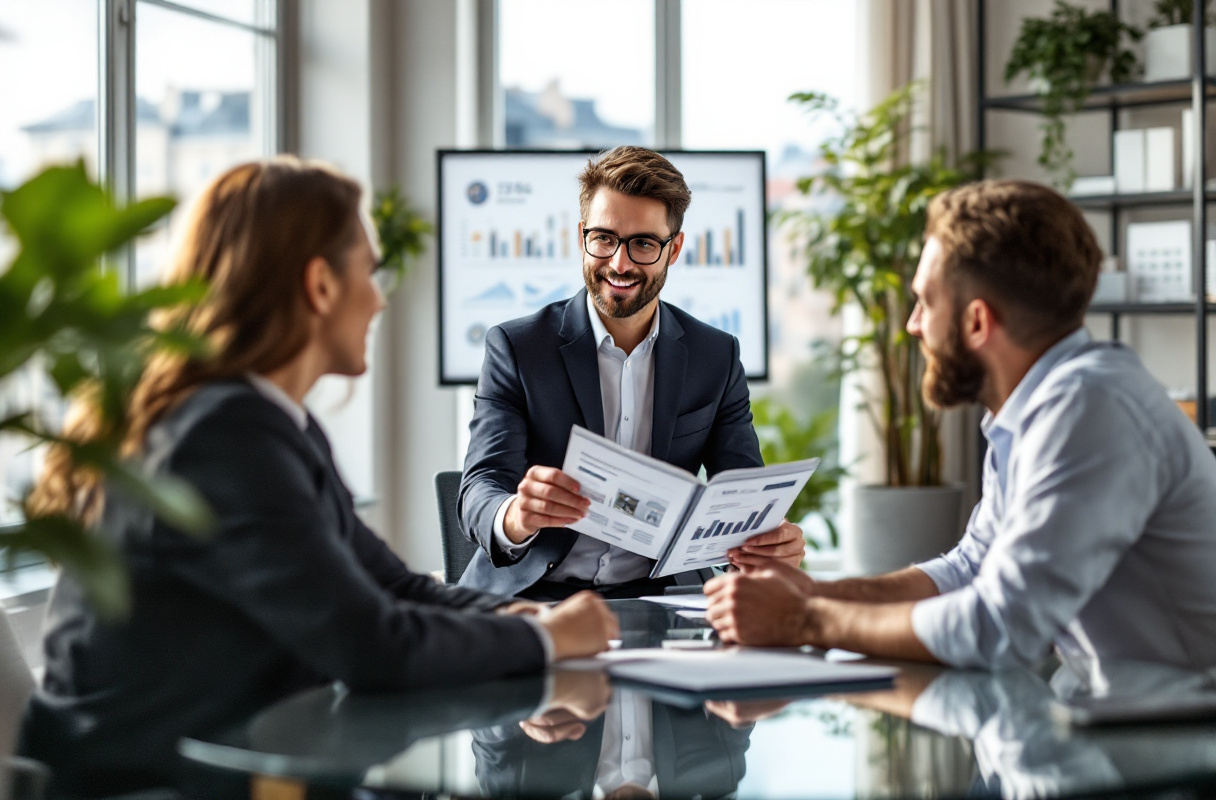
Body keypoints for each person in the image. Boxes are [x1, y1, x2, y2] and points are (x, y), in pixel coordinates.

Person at [19, 157, 618, 794]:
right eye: (369, 270)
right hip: (148, 785)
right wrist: (544, 642)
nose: (379, 298)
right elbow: (372, 645)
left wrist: (525, 621)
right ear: (320, 286)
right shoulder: (224, 434)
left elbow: (393, 586)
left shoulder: (270, 421)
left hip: (227, 767)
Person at [705, 178, 1216, 671]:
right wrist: (814, 592)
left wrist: (803, 619)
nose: (913, 325)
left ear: (976, 322)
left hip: (1182, 741)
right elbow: (970, 569)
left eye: (925, 302)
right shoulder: (1030, 409)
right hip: (1117, 725)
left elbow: (1001, 626)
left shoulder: (1089, 406)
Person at [458, 146, 804, 600]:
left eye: (643, 243)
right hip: (533, 595)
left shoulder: (715, 356)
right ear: (581, 234)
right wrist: (517, 514)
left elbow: (740, 498)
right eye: (603, 238)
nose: (619, 264)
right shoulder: (518, 348)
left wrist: (769, 541)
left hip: (661, 597)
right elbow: (479, 488)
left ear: (673, 249)